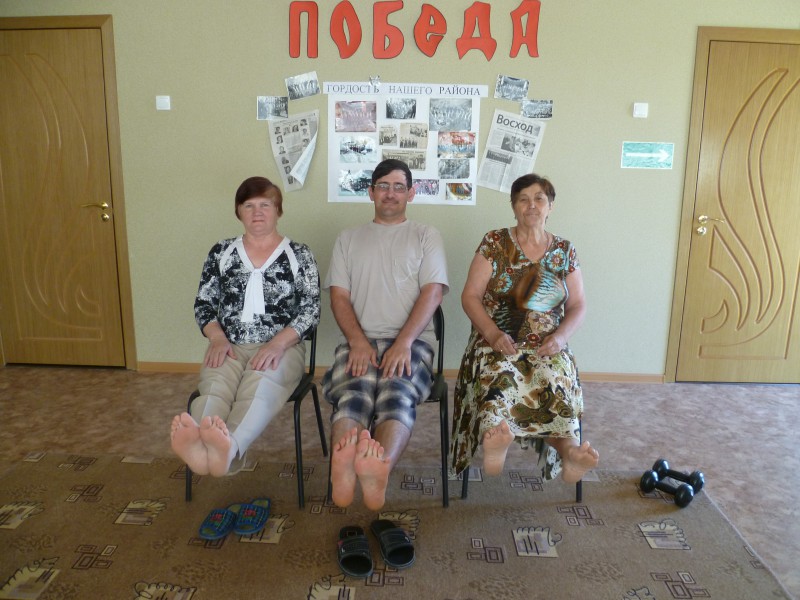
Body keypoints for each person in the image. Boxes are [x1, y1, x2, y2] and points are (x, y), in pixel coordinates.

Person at [450, 173, 598, 485]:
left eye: (539, 199)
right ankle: (496, 443)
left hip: (548, 344)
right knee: (498, 374)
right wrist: (492, 334)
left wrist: (560, 338)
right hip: (496, 340)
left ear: (550, 206)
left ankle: (571, 454)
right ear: (514, 206)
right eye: (523, 199)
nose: (531, 205)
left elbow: (578, 305)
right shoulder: (494, 243)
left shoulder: (565, 250)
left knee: (556, 378)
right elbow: (470, 296)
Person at [170, 176, 320, 477]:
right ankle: (204, 448)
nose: (257, 212)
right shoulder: (221, 252)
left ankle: (226, 450)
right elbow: (204, 303)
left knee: (259, 387)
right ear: (238, 211)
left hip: (282, 347)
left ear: (278, 210)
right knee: (215, 387)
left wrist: (277, 344)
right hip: (228, 344)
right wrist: (217, 338)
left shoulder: (299, 255)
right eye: (249, 205)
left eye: (265, 205)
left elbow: (310, 310)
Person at [324, 158, 449, 511]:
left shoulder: (426, 235)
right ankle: (344, 470)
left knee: (397, 394)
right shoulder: (348, 238)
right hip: (359, 342)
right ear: (371, 192)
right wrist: (357, 341)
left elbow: (433, 293)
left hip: (412, 343)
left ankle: (378, 468)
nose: (390, 193)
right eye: (383, 186)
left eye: (398, 187)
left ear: (411, 193)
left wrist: (404, 343)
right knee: (353, 393)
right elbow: (339, 297)